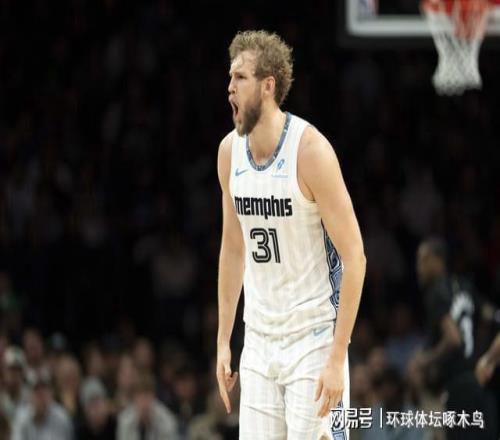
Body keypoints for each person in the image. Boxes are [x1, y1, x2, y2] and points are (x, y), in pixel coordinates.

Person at [216, 30, 366, 439]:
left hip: (313, 340)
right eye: (229, 77)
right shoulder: (229, 153)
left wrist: (337, 356)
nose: (229, 87)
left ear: (268, 86)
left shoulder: (310, 151)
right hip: (259, 340)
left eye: (240, 77)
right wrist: (224, 341)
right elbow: (233, 249)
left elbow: (355, 257)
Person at [411, 237, 497, 439]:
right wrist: (482, 353)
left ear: (437, 260)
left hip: (457, 387)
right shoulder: (464, 285)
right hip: (479, 380)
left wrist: (424, 360)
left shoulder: (435, 291)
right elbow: (488, 316)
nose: (418, 267)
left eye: (423, 260)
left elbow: (453, 339)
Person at [11, 368, 73, 440]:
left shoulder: (61, 417)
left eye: (44, 390)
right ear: (29, 396)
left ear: (51, 393)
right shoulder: (21, 418)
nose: (41, 396)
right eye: (37, 391)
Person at [117, 373, 178, 440]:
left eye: (147, 396)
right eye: (140, 397)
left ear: (153, 396)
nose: (144, 402)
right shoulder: (125, 420)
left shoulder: (167, 420)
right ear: (134, 398)